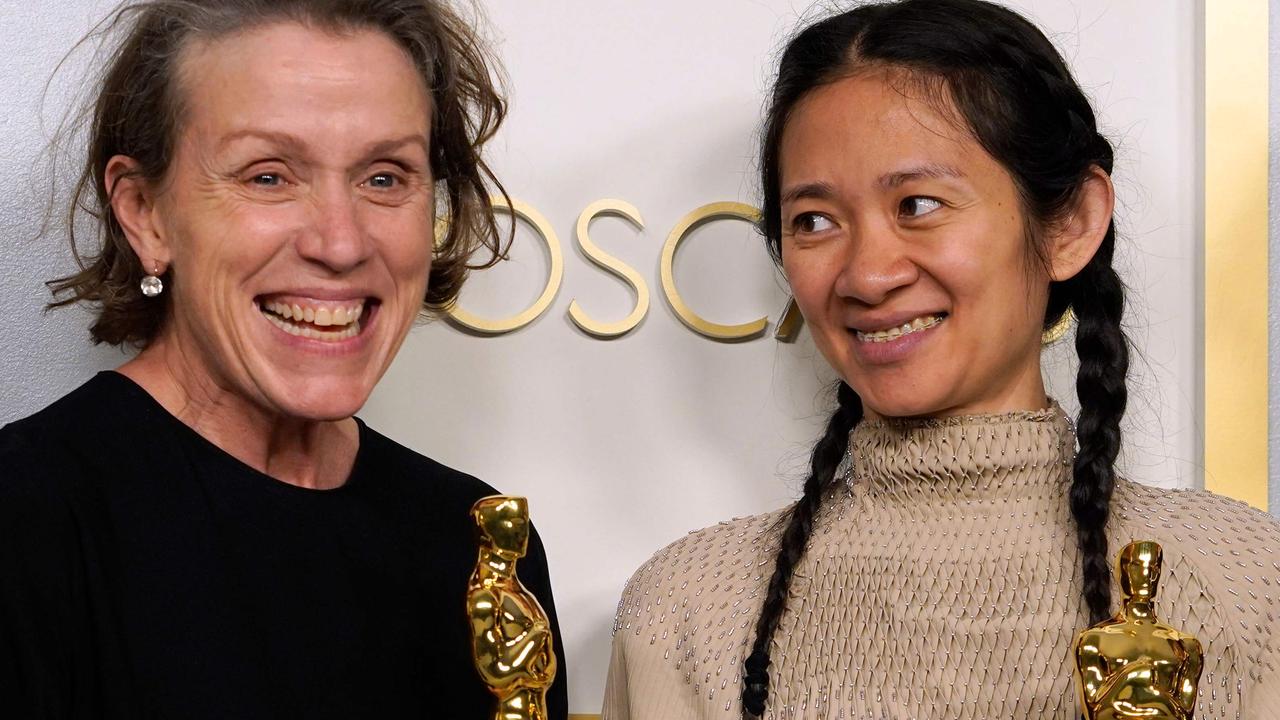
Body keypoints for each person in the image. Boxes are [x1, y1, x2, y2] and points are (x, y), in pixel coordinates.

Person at [602, 1, 1279, 718]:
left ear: (1072, 223)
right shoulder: (685, 612)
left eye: (919, 205)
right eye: (816, 221)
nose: (867, 274)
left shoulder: (1247, 588)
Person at [0, 1, 567, 718]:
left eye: (385, 177)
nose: (340, 241)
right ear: (144, 213)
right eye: (269, 176)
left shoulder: (475, 540)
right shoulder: (28, 523)